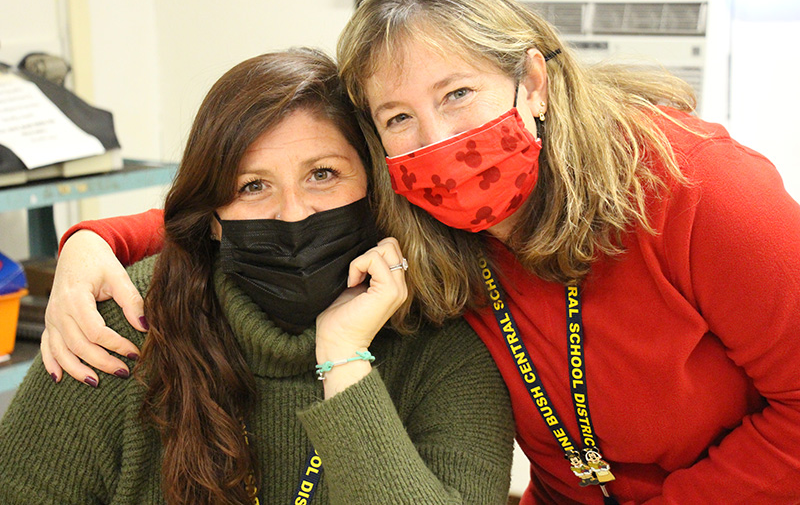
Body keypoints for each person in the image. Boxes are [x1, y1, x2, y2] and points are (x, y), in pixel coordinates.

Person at [34, 0, 800, 503]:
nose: (438, 141)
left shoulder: (703, 189)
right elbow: (253, 202)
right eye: (400, 118)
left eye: (459, 94)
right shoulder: (427, 215)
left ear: (533, 83)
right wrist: (94, 240)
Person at [0, 48, 516, 505]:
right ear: (214, 218)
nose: (293, 214)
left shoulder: (446, 345)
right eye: (252, 186)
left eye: (323, 175)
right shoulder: (117, 328)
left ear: (375, 185)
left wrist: (345, 359)